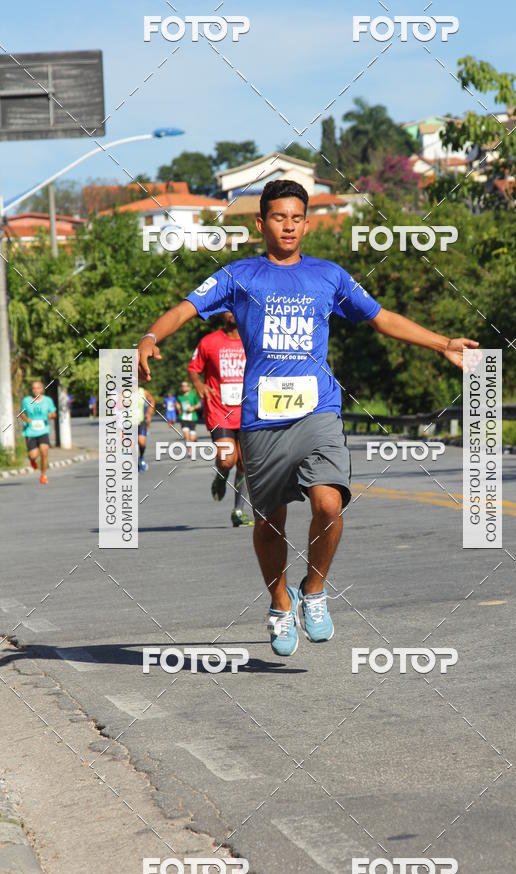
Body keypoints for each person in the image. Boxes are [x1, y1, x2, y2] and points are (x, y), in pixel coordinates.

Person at [137, 179, 478, 658]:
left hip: (319, 410)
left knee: (329, 505)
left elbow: (381, 318)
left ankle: (314, 589)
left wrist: (445, 343)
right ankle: (280, 601)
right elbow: (184, 309)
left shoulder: (330, 276)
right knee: (269, 522)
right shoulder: (240, 276)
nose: (289, 226)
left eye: (297, 218)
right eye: (279, 217)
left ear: (307, 223)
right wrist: (151, 338)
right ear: (261, 224)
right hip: (261, 420)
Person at [187, 312, 253, 527]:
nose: (232, 313)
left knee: (244, 463)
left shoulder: (253, 338)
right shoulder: (209, 341)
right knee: (227, 459)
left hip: (248, 410)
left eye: (236, 309)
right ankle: (221, 475)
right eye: (228, 310)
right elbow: (193, 369)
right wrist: (198, 383)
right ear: (222, 316)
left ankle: (238, 511)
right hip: (219, 409)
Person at [21, 380, 57, 485]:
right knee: (33, 455)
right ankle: (32, 461)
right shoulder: (26, 400)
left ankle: (43, 475)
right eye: (34, 388)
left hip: (43, 430)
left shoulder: (47, 400)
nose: (36, 390)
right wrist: (27, 420)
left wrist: (51, 415)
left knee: (44, 453)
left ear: (42, 389)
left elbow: (53, 413)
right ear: (31, 390)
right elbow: (22, 413)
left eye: (38, 388)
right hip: (30, 431)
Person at [176, 380, 202, 454]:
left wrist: (193, 408)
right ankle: (190, 450)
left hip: (192, 418)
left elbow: (199, 404)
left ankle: (194, 439)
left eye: (185, 386)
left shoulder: (193, 395)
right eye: (182, 386)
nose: (184, 387)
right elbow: (178, 404)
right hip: (183, 418)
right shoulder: (179, 397)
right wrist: (178, 407)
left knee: (192, 437)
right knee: (187, 436)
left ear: (188, 387)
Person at [138, 386, 155, 472]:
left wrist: (149, 412)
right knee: (131, 446)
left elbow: (152, 400)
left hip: (141, 421)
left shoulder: (143, 392)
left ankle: (141, 457)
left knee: (142, 443)